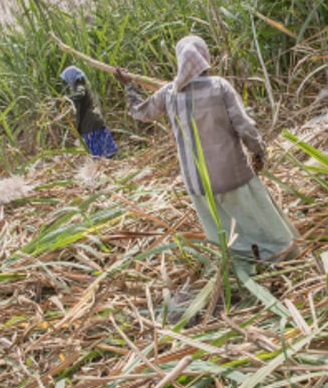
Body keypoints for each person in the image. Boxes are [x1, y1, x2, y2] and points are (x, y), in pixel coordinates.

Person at [119, 35, 300, 264]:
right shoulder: (219, 86)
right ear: (204, 58)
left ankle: (241, 266)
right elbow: (244, 126)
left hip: (197, 182)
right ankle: (281, 256)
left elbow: (141, 112)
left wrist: (129, 87)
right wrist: (259, 151)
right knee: (260, 221)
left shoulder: (169, 94)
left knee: (225, 233)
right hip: (231, 174)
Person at [61, 66, 119, 158]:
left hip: (90, 124)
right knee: (106, 150)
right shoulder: (80, 85)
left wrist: (68, 98)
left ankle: (105, 168)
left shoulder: (79, 86)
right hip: (95, 122)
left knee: (99, 155)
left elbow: (80, 94)